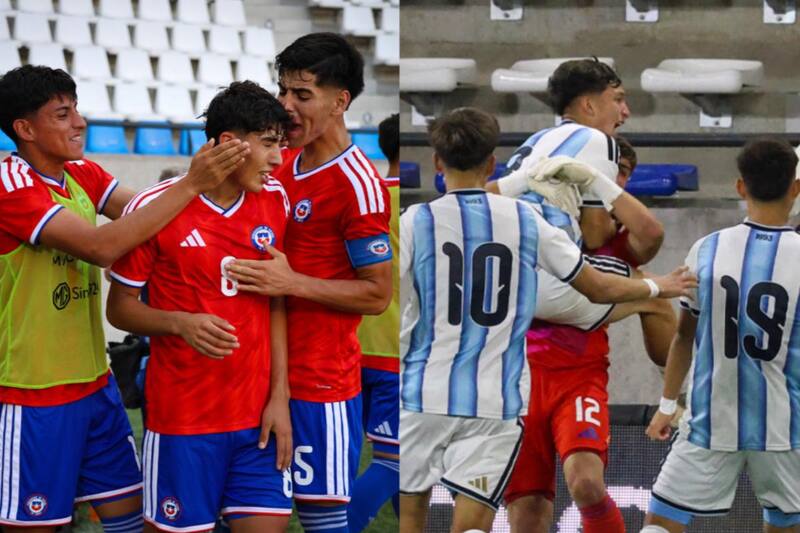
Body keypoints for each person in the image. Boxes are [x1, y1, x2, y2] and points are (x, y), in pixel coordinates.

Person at [399, 107, 696, 533]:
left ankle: (678, 393)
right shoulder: (526, 219)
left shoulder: (417, 220)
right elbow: (597, 287)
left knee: (584, 484)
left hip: (446, 388)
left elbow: (390, 293)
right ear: (490, 162)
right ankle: (682, 391)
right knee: (503, 518)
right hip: (501, 393)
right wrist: (656, 287)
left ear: (437, 163)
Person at [0, 65, 248, 531]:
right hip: (33, 395)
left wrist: (229, 193)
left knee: (132, 519)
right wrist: (193, 183)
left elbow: (152, 216)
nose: (79, 122)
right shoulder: (9, 185)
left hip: (97, 387)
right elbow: (103, 246)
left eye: (76, 109)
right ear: (25, 129)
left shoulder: (82, 174)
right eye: (62, 114)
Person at [487, 60, 671, 533]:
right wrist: (649, 293)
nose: (625, 111)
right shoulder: (590, 201)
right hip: (519, 364)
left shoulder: (541, 157)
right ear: (589, 105)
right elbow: (599, 234)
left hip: (575, 372)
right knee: (525, 512)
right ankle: (649, 298)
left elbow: (648, 236)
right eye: (618, 100)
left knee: (586, 485)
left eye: (624, 177)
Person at [106, 81, 294, 533]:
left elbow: (275, 306)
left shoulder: (275, 201)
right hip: (183, 422)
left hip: (258, 425)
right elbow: (119, 310)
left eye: (281, 146)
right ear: (230, 144)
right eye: (269, 145)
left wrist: (280, 397)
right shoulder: (157, 208)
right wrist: (180, 323)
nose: (278, 159)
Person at [224, 33, 393, 533]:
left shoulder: (358, 185)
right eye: (283, 92)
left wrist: (292, 282)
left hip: (320, 382)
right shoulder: (280, 164)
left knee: (323, 521)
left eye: (302, 95)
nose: (287, 107)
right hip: (254, 373)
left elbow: (377, 294)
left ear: (340, 101)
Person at [641, 139, 800, 533]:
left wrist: (666, 404)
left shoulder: (706, 249)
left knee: (659, 524)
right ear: (796, 189)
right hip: (785, 428)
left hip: (711, 421)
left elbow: (683, 337)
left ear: (740, 186)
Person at [348, 113, 400, 532]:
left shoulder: (364, 195)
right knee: (394, 463)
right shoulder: (422, 207)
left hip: (351, 346)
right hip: (396, 355)